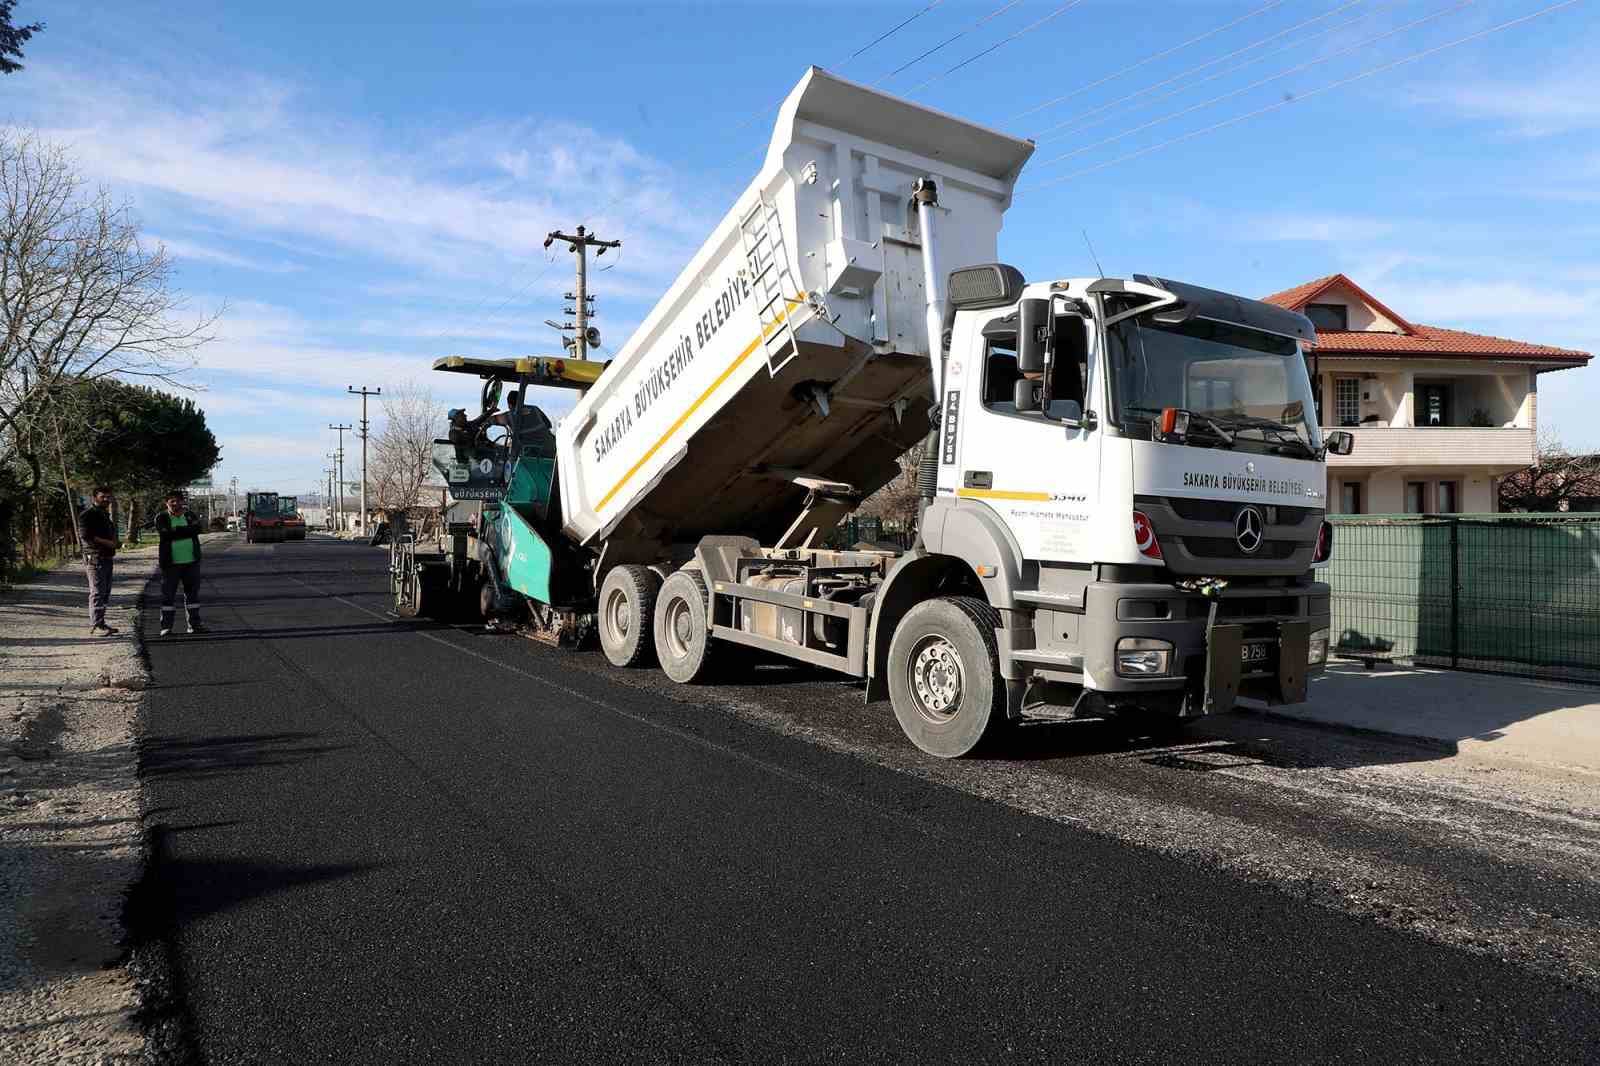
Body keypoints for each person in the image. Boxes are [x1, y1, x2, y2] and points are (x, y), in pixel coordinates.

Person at [155, 490, 206, 636]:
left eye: (178, 501)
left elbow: (198, 529)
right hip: (171, 563)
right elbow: (165, 534)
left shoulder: (190, 515)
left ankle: (194, 625)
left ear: (183, 501)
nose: (176, 504)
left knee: (192, 595)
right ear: (166, 503)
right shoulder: (162, 517)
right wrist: (187, 531)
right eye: (172, 501)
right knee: (168, 596)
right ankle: (166, 627)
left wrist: (176, 530)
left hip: (191, 562)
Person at [79, 486, 119, 636]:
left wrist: (114, 543)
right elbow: (86, 535)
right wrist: (108, 543)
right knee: (97, 591)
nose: (107, 500)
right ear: (94, 498)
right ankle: (96, 624)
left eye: (109, 497)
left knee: (105, 592)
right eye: (103, 497)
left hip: (107, 557)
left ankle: (101, 622)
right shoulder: (88, 515)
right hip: (95, 557)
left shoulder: (104, 514)